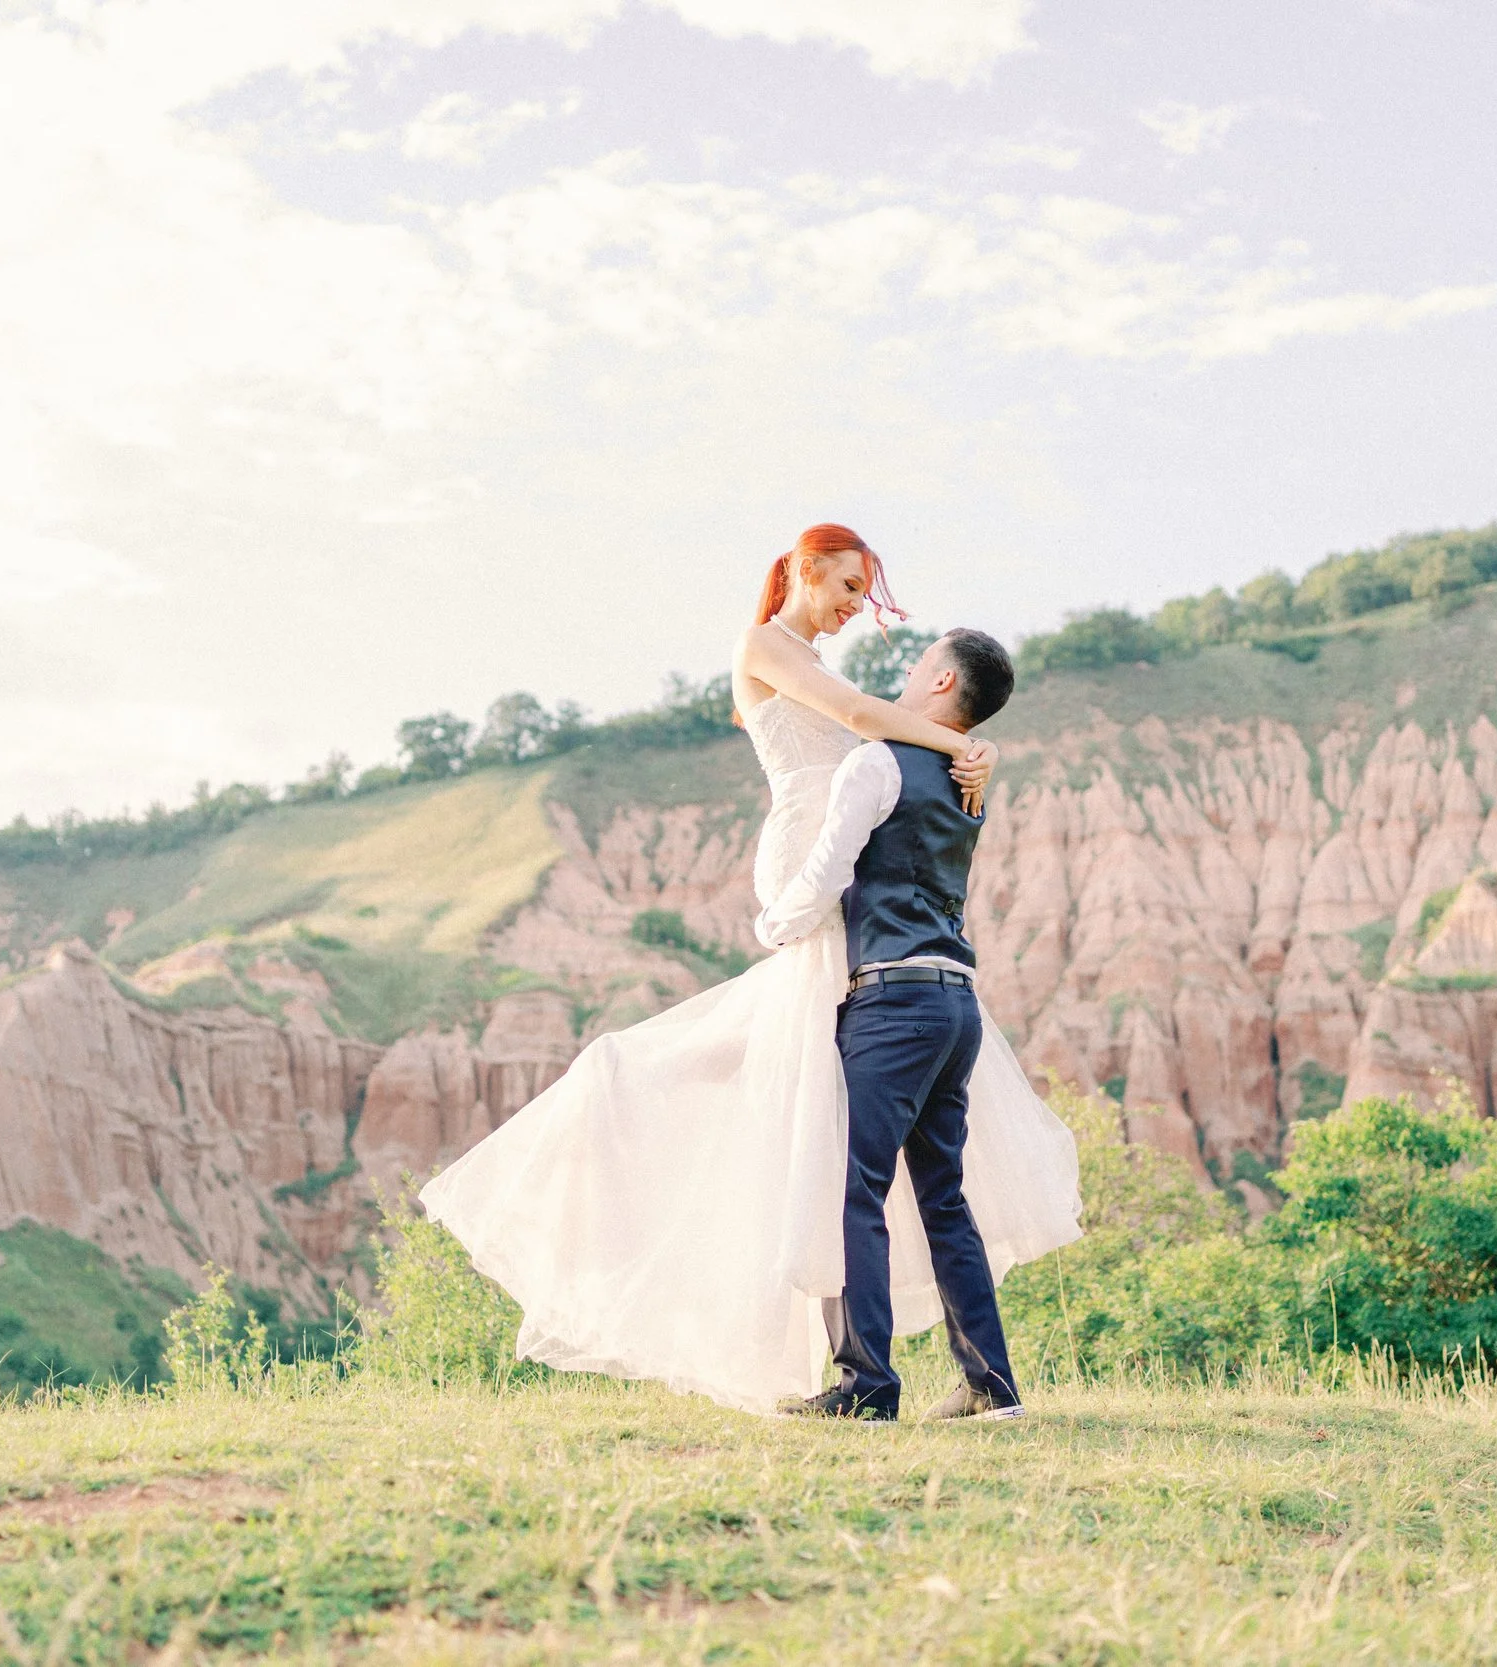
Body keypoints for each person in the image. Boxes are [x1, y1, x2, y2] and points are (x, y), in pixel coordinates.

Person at [419, 525, 1079, 1415]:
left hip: (856, 922)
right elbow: (853, 722)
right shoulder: (766, 646)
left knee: (838, 1154)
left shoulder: (891, 744)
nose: (855, 608)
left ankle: (870, 1382)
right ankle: (902, 1375)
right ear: (803, 570)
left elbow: (874, 741)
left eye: (861, 591)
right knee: (838, 1142)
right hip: (839, 902)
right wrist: (961, 741)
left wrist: (966, 744)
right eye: (846, 586)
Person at [758, 627, 1029, 1423]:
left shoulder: (878, 759)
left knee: (851, 1187)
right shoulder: (965, 776)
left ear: (943, 680)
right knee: (943, 1196)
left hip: (892, 1001)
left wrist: (777, 925)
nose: (906, 671)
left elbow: (832, 866)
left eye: (919, 662)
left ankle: (864, 1386)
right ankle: (990, 1384)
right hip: (957, 1002)